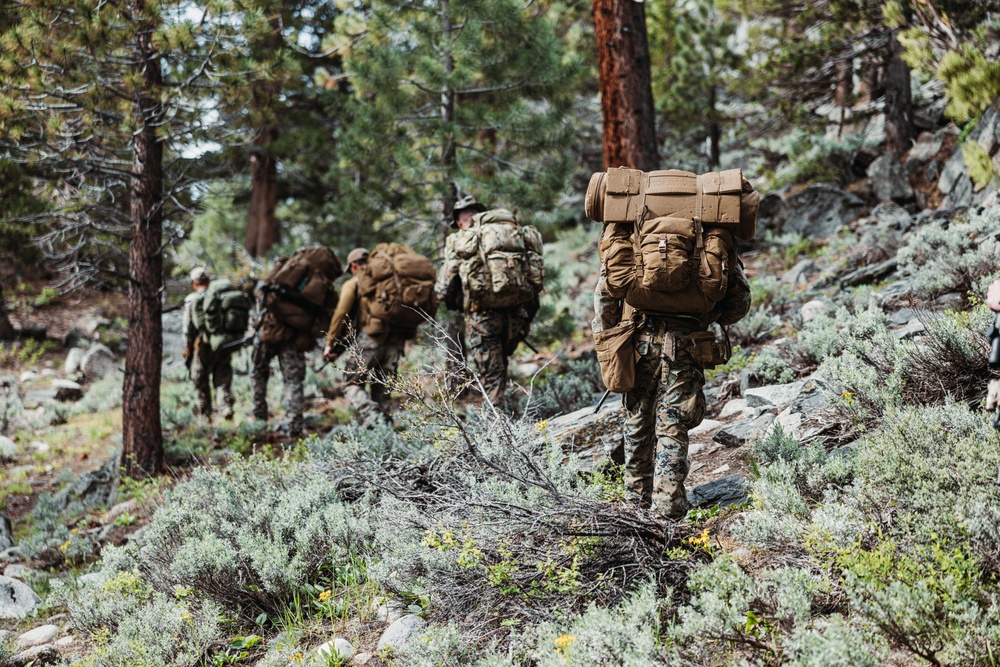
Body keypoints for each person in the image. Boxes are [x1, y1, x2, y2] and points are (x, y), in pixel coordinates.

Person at [594, 231, 752, 521]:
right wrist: (702, 309)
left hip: (638, 341)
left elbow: (605, 294)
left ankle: (635, 505)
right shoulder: (709, 233)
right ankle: (668, 508)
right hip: (687, 343)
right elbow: (738, 303)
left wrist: (608, 340)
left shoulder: (631, 231)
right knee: (673, 423)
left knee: (638, 421)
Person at [435, 195, 543, 407]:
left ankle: (498, 431)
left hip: (482, 316)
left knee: (491, 375)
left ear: (458, 221)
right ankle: (510, 413)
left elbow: (444, 286)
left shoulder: (461, 239)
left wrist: (451, 301)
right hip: (516, 313)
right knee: (501, 363)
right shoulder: (509, 233)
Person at [323, 248, 406, 426]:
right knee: (382, 388)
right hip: (395, 341)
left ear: (354, 266)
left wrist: (330, 343)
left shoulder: (354, 283)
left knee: (350, 384)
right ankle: (385, 432)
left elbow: (341, 314)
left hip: (371, 339)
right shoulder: (391, 282)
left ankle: (372, 416)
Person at [182, 267, 234, 421]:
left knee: (201, 380)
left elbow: (188, 329)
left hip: (202, 346)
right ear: (209, 281)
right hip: (222, 343)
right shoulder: (220, 297)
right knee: (223, 377)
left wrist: (188, 350)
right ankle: (226, 408)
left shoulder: (192, 300)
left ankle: (206, 416)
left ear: (194, 283)